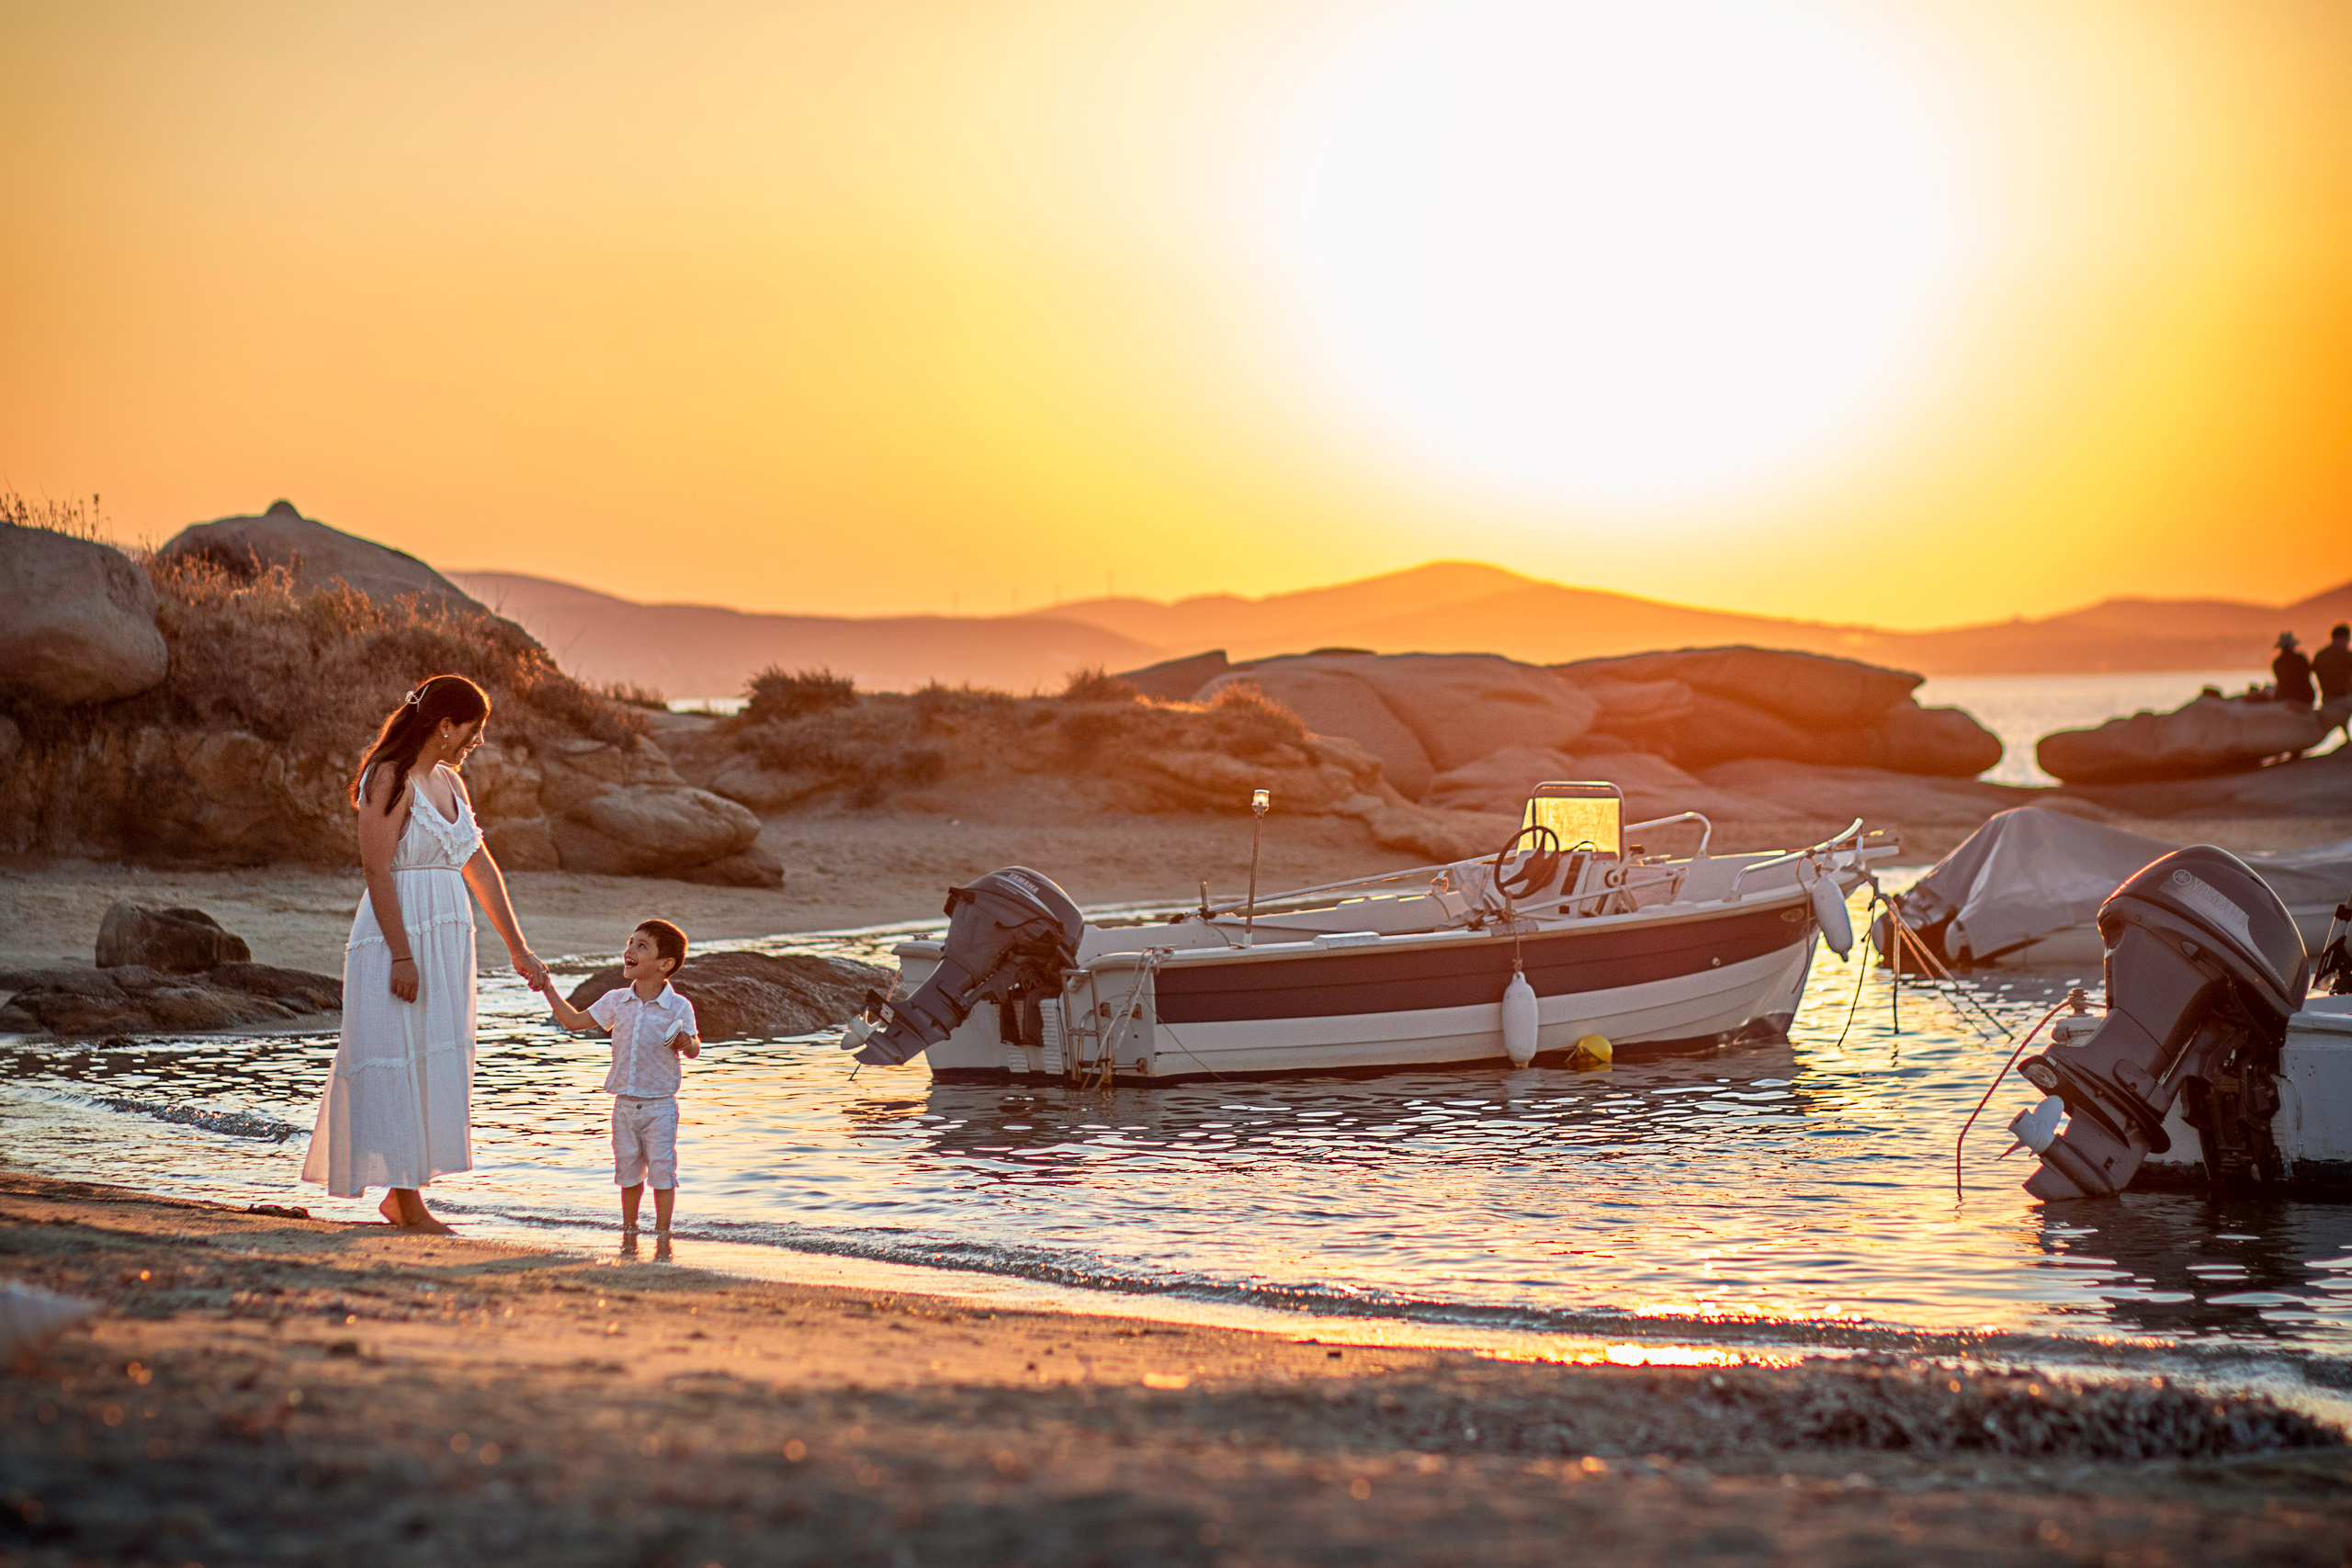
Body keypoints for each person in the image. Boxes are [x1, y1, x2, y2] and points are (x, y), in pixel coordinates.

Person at [302, 675, 550, 1233]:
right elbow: (375, 868)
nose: (477, 742)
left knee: (433, 1058)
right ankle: (406, 1203)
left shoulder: (451, 784)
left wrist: (518, 948)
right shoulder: (387, 777)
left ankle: (405, 1196)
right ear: (445, 725)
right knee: (397, 1055)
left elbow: (478, 866)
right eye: (473, 730)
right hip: (398, 935)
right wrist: (401, 955)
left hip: (447, 935)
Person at [542, 919, 702, 1233]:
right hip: (624, 1105)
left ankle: (663, 1233)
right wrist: (547, 987)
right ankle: (629, 1229)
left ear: (664, 964)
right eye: (630, 942)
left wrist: (687, 1042)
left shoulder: (678, 1007)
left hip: (660, 1107)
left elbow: (694, 1048)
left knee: (662, 1170)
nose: (629, 950)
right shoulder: (616, 1000)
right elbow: (574, 1022)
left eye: (642, 946)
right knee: (628, 1171)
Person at [2318, 624, 2352, 741]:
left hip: (2326, 699)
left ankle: (2347, 738)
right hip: (2343, 698)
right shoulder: (2347, 655)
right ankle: (2348, 738)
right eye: (2348, 639)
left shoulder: (2320, 655)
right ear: (2344, 638)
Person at [2273, 631, 2315, 707]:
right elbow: (2308, 673)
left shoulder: (2277, 662)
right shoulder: (2301, 658)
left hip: (2285, 698)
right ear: (2293, 646)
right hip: (2306, 698)